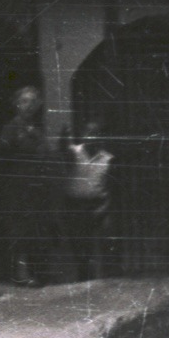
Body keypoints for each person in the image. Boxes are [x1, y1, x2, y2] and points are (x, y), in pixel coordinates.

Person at [0, 86, 59, 286]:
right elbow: (1, 154)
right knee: (19, 231)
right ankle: (21, 273)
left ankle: (39, 273)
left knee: (37, 229)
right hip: (18, 188)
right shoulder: (10, 129)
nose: (28, 106)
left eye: (32, 102)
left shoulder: (38, 130)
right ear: (16, 104)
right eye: (24, 101)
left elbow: (46, 155)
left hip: (37, 188)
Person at [63, 120, 114, 281]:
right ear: (83, 135)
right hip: (75, 205)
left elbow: (112, 187)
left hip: (98, 206)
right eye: (88, 133)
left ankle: (104, 280)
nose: (91, 137)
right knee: (79, 245)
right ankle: (82, 279)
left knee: (104, 242)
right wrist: (64, 137)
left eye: (96, 134)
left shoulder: (108, 159)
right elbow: (63, 150)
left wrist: (104, 208)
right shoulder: (73, 153)